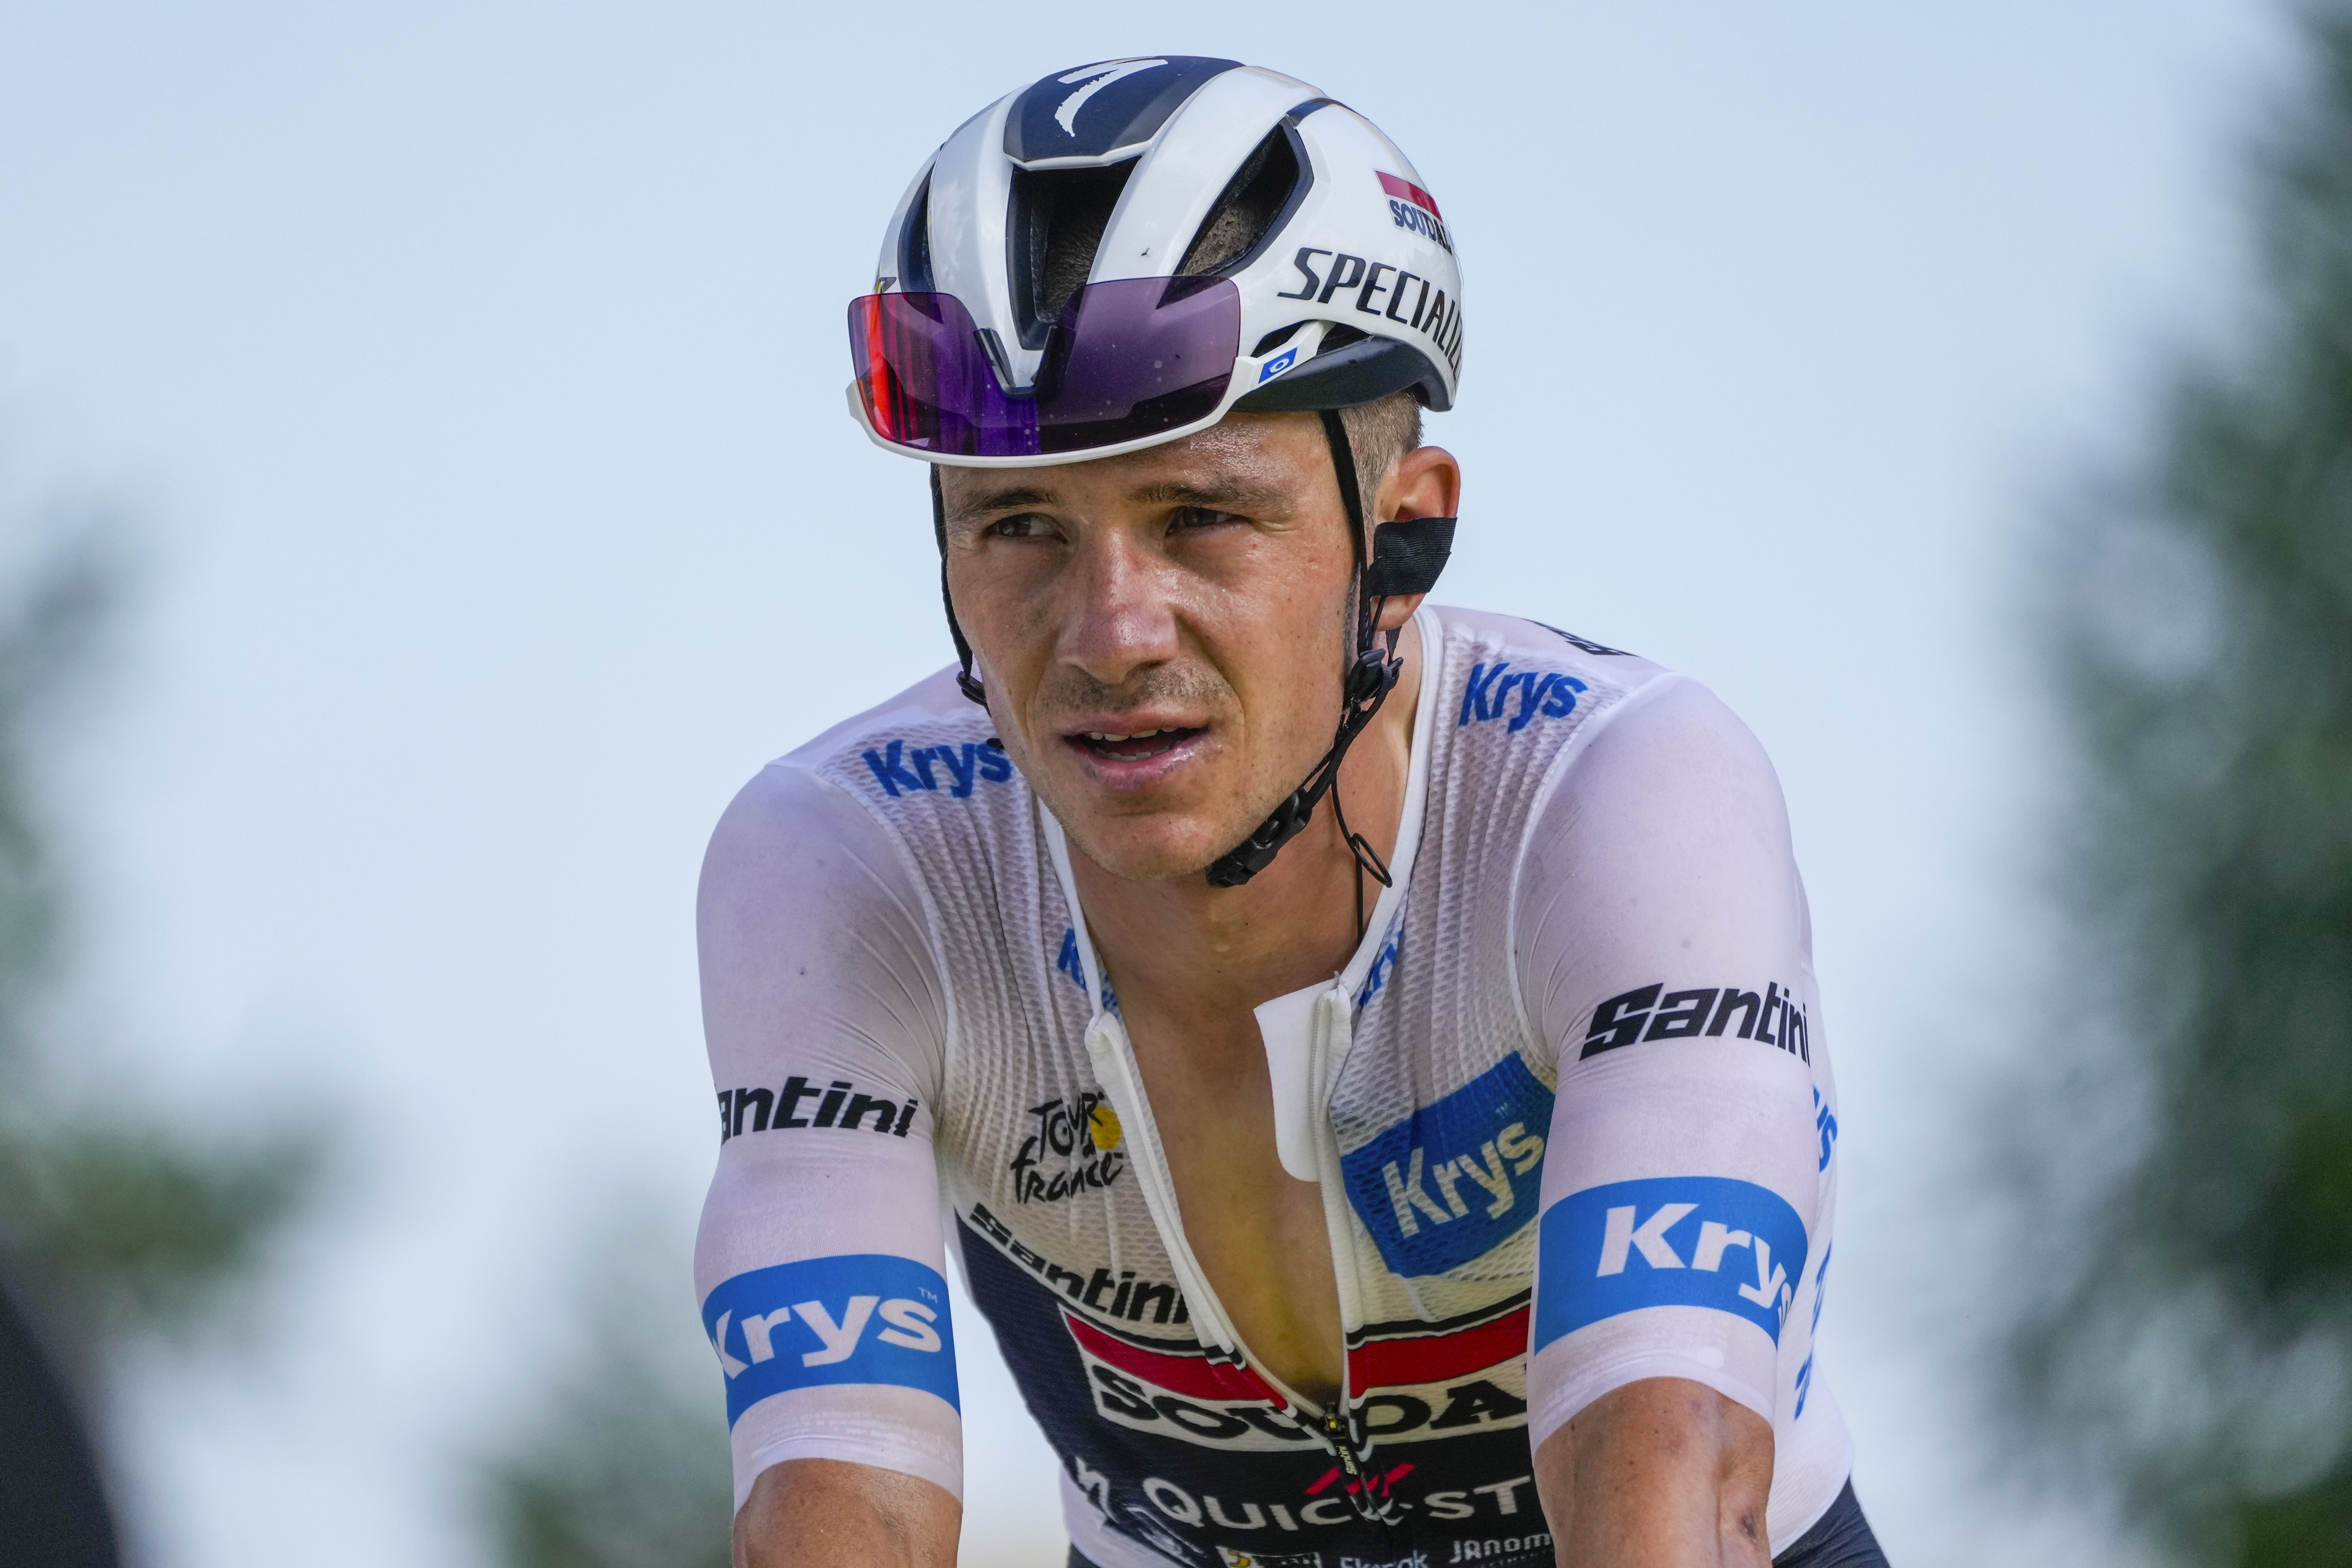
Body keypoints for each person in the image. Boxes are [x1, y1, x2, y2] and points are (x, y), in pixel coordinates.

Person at [695, 56, 1886, 1568]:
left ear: (1404, 535)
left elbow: (1667, 1468)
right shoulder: (851, 862)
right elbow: (835, 1503)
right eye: (1021, 527)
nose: (1110, 635)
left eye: (1201, 517)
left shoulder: (1614, 795)